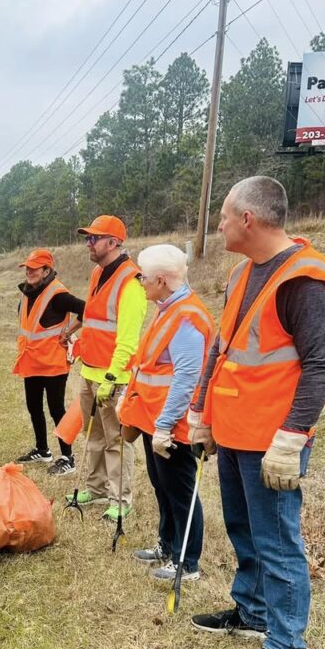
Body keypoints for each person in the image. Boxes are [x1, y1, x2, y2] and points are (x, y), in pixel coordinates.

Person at [188, 176, 325, 649]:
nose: (219, 226)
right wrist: (203, 416)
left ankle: (285, 646)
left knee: (276, 542)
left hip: (271, 442)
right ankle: (251, 611)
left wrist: (291, 440)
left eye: (224, 217)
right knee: (243, 529)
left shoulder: (304, 279)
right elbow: (221, 349)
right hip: (233, 432)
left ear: (247, 219)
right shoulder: (240, 275)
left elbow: (322, 363)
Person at [117, 244, 214, 583]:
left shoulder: (187, 317)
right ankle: (167, 544)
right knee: (162, 485)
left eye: (143, 277)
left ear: (160, 280)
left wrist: (164, 426)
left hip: (173, 425)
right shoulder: (167, 307)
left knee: (181, 491)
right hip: (153, 419)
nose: (140, 282)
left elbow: (187, 379)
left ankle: (187, 562)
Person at [70, 215, 147, 520]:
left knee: (116, 440)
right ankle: (96, 487)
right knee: (93, 436)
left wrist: (112, 376)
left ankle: (120, 499)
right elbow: (94, 320)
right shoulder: (97, 273)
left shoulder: (131, 282)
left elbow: (127, 339)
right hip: (89, 372)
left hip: (113, 377)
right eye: (87, 238)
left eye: (94, 238)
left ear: (113, 242)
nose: (88, 243)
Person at [12, 248, 85, 475]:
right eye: (27, 268)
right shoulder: (27, 292)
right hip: (31, 361)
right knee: (33, 406)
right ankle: (43, 450)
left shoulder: (58, 294)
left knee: (56, 409)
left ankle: (68, 457)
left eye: (34, 268)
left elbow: (86, 309)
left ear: (46, 271)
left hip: (53, 364)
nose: (29, 272)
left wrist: (69, 331)